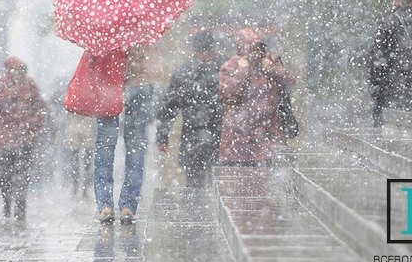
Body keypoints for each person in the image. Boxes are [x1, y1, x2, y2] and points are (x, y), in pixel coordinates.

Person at [94, 42, 164, 224]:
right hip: (135, 83)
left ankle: (106, 206)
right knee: (134, 146)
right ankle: (127, 206)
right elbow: (153, 68)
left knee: (107, 146)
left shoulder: (103, 29)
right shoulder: (142, 27)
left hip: (112, 83)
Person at [155, 31, 226, 187]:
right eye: (202, 52)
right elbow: (169, 106)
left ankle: (197, 207)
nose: (205, 56)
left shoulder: (222, 70)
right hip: (201, 134)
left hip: (211, 134)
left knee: (212, 183)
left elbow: (169, 106)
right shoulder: (223, 69)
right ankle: (197, 208)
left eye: (208, 52)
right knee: (198, 183)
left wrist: (162, 135)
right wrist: (162, 136)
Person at [218, 27, 295, 167]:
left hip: (267, 136)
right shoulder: (231, 67)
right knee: (238, 183)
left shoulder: (270, 62)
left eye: (260, 49)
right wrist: (242, 71)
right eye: (253, 49)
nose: (257, 54)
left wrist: (272, 70)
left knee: (268, 182)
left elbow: (289, 84)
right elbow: (229, 96)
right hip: (238, 140)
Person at [0, 56, 47, 222]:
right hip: (1, 140)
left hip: (23, 139)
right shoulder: (1, 83)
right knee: (4, 176)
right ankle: (7, 204)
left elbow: (39, 108)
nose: (19, 73)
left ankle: (21, 208)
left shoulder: (30, 85)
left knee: (21, 175)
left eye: (21, 69)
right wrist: (11, 93)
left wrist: (31, 128)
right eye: (16, 69)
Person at [65, 111, 96, 198]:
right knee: (86, 160)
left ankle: (77, 187)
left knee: (76, 159)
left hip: (75, 122)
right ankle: (83, 188)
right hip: (87, 121)